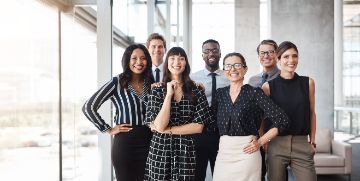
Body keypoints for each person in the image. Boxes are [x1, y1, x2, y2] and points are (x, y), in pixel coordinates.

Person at [212, 52, 289, 181]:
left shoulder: (255, 93)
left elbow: (282, 120)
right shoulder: (220, 94)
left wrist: (260, 141)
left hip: (247, 153)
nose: (233, 69)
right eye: (228, 66)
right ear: (224, 70)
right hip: (224, 153)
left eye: (237, 65)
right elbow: (210, 121)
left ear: (245, 69)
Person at [82, 44, 154, 181]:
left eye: (143, 58)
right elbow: (88, 107)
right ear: (127, 60)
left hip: (149, 141)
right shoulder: (118, 82)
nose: (139, 62)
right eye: (134, 58)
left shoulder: (150, 83)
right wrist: (108, 129)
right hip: (125, 145)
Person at [144, 47, 213, 181]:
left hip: (186, 151)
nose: (177, 62)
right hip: (160, 150)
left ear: (186, 63)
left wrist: (167, 130)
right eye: (173, 58)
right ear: (167, 62)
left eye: (181, 58)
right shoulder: (157, 90)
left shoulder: (197, 91)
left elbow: (198, 127)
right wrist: (169, 95)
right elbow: (158, 125)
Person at [262, 41, 317, 181]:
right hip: (276, 144)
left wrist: (312, 141)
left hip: (302, 144)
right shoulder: (268, 87)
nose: (291, 60)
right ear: (278, 59)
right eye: (286, 57)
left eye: (294, 56)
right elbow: (262, 118)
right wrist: (265, 141)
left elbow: (311, 113)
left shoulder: (308, 83)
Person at [190, 39, 230, 181]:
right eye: (207, 51)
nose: (211, 53)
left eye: (214, 50)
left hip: (221, 133)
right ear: (202, 55)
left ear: (220, 54)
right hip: (199, 133)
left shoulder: (229, 77)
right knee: (197, 175)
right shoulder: (192, 78)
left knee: (221, 175)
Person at [248, 39, 280, 181]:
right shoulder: (252, 80)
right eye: (262, 53)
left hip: (278, 134)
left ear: (277, 54)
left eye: (270, 52)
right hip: (256, 134)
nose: (266, 56)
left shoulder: (284, 78)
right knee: (257, 175)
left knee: (277, 176)